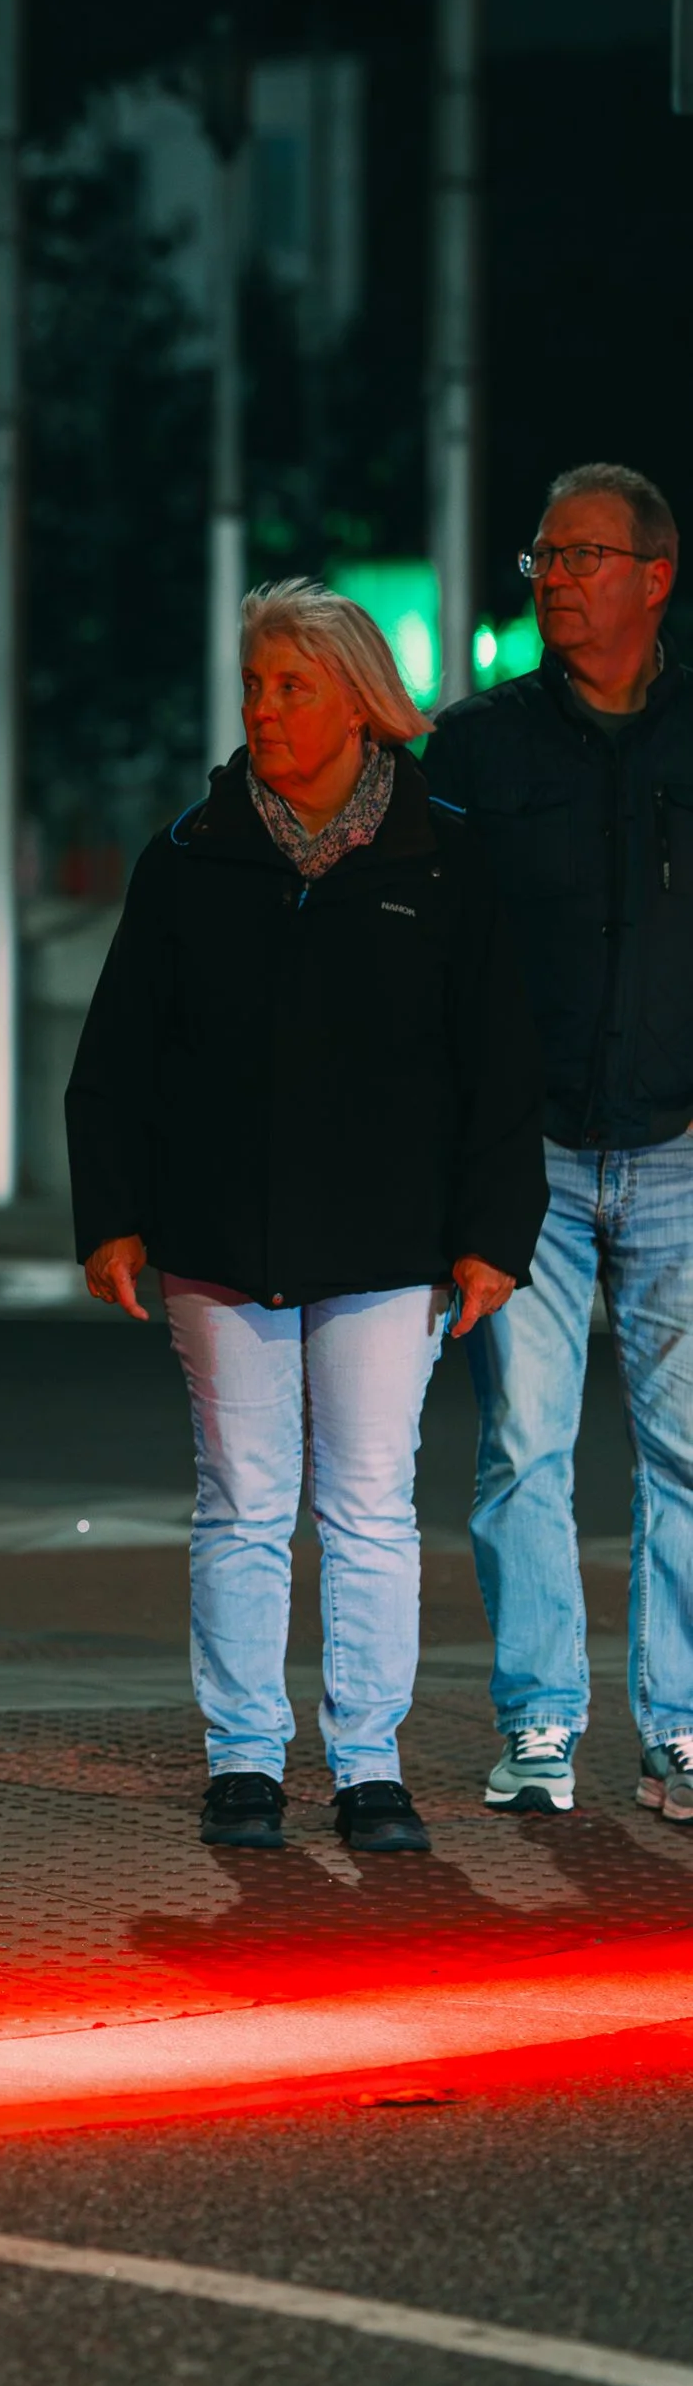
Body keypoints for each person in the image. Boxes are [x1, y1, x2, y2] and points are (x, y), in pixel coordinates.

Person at [68, 578, 541, 1859]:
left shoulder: (441, 855)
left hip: (387, 1241)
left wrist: (494, 1232)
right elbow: (118, 1051)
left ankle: (369, 1765)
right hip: (217, 1238)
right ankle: (241, 1762)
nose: (264, 710)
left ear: (358, 705)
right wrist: (111, 1218)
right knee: (239, 1500)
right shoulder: (190, 854)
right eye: (254, 686)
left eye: (292, 686)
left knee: (372, 1504)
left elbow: (497, 1059)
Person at [426, 464, 693, 1824]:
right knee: (524, 1445)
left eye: (586, 554)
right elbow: (431, 949)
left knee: (685, 1449)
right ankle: (540, 1721)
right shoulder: (478, 745)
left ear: (657, 575)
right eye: (544, 552)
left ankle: (683, 1728)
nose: (555, 576)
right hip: (523, 1150)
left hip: (677, 1143)